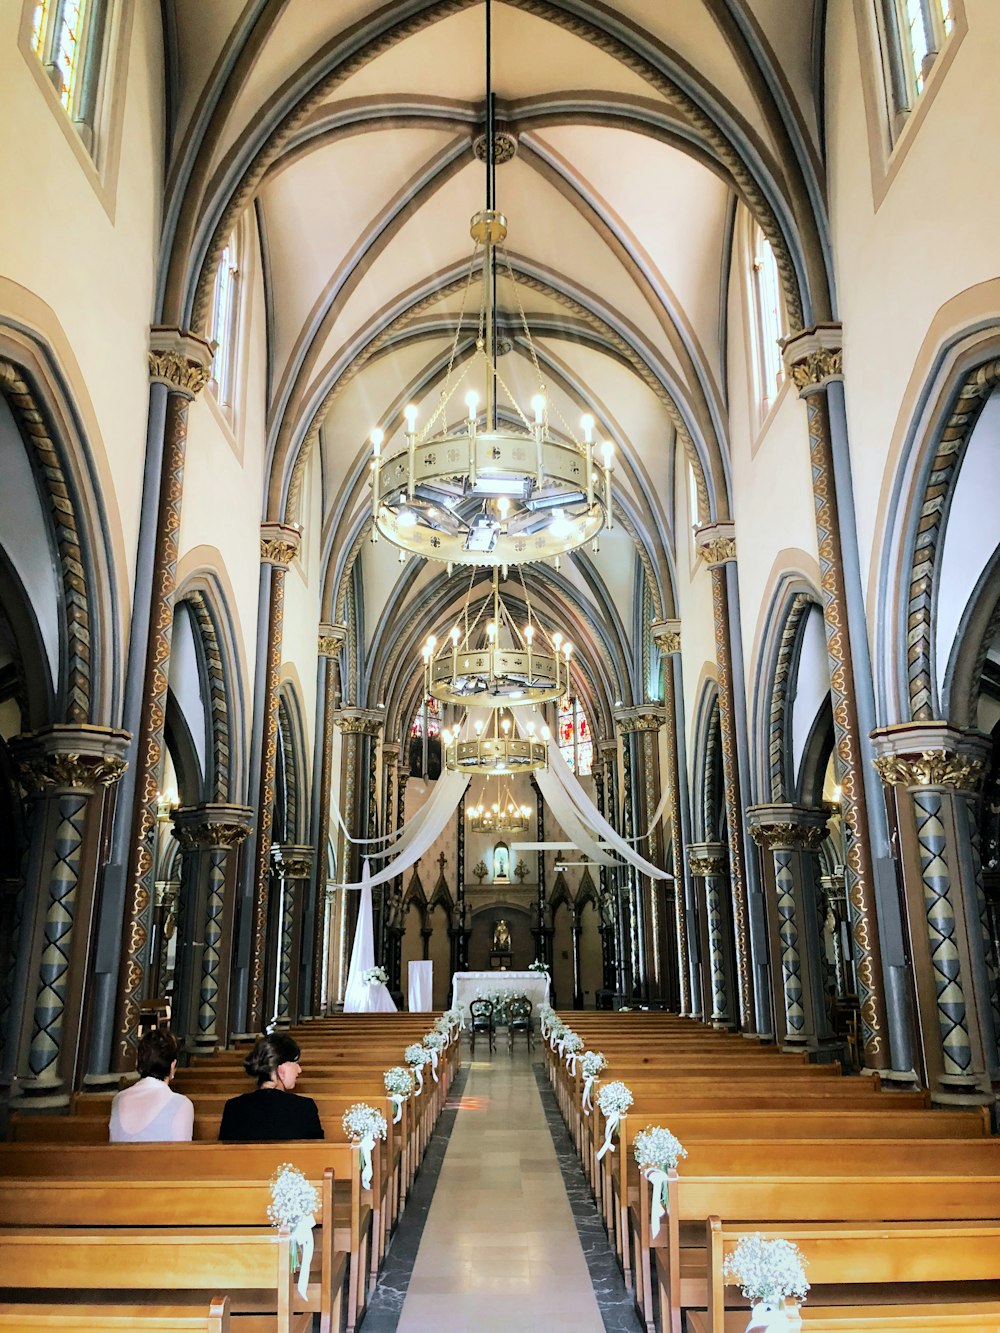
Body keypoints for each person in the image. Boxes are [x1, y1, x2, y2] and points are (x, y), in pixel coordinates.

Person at [218, 1033, 324, 1141]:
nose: (299, 1070)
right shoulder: (304, 1107)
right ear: (282, 1067)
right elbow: (316, 1153)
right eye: (295, 1063)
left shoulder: (233, 1107)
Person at [109, 1028, 194, 1143]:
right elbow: (180, 1155)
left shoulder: (118, 1099)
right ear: (172, 1065)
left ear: (138, 1062)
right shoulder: (182, 1104)